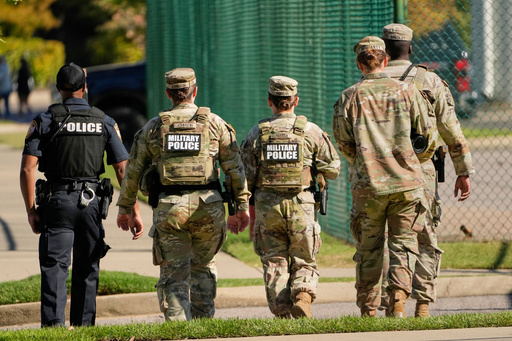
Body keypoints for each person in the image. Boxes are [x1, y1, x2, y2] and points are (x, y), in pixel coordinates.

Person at [116, 67, 250, 321]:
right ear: (194, 91)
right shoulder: (215, 123)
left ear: (168, 93)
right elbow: (235, 168)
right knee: (204, 268)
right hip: (208, 208)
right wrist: (241, 207)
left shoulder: (154, 128)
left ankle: (178, 329)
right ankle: (203, 326)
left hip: (169, 210)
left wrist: (125, 210)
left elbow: (132, 172)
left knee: (174, 273)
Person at [19, 62, 141, 328]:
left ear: (58, 88)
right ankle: (84, 328)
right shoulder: (104, 121)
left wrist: (31, 210)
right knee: (87, 269)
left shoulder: (45, 120)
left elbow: (28, 168)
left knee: (55, 268)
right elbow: (123, 169)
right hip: (91, 204)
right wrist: (133, 211)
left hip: (57, 203)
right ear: (85, 88)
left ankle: (53, 330)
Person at [332, 36, 436, 318]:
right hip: (407, 184)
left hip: (368, 187)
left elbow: (343, 142)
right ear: (385, 60)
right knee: (403, 244)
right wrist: (411, 164)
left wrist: (363, 164)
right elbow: (426, 136)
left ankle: (368, 310)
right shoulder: (407, 91)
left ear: (359, 64)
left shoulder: (349, 96)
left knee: (369, 249)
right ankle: (399, 301)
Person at [380, 23, 474, 317]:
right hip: (422, 170)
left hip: (380, 171)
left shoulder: (371, 80)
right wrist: (463, 171)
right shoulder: (431, 81)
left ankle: (395, 296)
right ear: (410, 48)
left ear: (384, 49)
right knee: (425, 234)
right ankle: (422, 303)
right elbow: (452, 132)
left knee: (387, 237)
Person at [241, 76, 341, 319]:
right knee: (304, 258)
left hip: (268, 207)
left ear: (270, 102)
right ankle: (303, 296)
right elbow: (333, 168)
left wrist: (246, 209)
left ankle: (282, 313)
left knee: (275, 261)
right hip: (302, 204)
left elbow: (246, 176)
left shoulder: (257, 133)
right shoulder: (310, 130)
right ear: (295, 101)